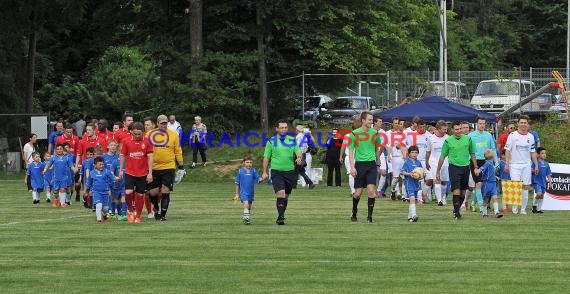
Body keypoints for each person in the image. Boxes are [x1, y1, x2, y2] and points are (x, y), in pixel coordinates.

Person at [262, 119, 303, 225]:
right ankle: (281, 217)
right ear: (277, 129)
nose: (284, 129)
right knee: (281, 193)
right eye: (281, 127)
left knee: (286, 196)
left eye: (285, 127)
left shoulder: (292, 140)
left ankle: (281, 214)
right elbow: (266, 158)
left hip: (290, 172)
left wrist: (299, 158)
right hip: (276, 171)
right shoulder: (271, 141)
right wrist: (264, 172)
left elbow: (298, 152)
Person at [436, 121, 477, 219]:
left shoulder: (468, 139)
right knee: (456, 190)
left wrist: (475, 166)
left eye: (460, 129)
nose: (458, 131)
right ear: (452, 130)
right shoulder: (448, 141)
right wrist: (438, 171)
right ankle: (457, 213)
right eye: (456, 129)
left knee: (463, 192)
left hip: (465, 167)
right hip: (454, 167)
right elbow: (442, 157)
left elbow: (472, 153)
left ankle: (456, 208)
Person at [348, 111, 382, 223]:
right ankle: (354, 211)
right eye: (369, 120)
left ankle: (369, 217)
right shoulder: (354, 134)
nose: (371, 122)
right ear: (363, 120)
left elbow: (377, 148)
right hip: (359, 165)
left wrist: (378, 161)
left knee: (371, 191)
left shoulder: (375, 133)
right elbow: (351, 152)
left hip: (371, 165)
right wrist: (352, 167)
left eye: (372, 120)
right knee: (357, 194)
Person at [148, 114, 184, 221]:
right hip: (153, 167)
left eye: (165, 123)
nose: (163, 125)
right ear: (157, 123)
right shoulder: (149, 134)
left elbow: (178, 151)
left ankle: (163, 215)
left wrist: (181, 166)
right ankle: (155, 206)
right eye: (161, 123)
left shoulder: (173, 135)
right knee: (153, 192)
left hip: (168, 167)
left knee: (165, 190)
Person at [119, 122, 154, 223]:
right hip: (130, 172)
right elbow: (122, 155)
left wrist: (150, 172)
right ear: (132, 132)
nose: (137, 136)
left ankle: (138, 216)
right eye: (135, 134)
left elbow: (150, 157)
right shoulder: (126, 141)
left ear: (143, 132)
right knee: (128, 192)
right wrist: (121, 170)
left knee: (140, 195)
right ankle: (130, 211)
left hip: (142, 173)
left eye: (139, 134)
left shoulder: (147, 142)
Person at [504, 115, 538, 215]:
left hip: (527, 165)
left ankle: (523, 209)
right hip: (514, 165)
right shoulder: (512, 135)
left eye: (525, 123)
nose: (523, 124)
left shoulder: (531, 137)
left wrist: (536, 165)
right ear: (518, 124)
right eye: (521, 122)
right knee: (515, 186)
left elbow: (533, 152)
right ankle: (515, 209)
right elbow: (507, 150)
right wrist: (507, 163)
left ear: (528, 124)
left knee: (525, 187)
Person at [468, 116, 497, 213]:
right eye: (480, 123)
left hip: (486, 162)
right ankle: (481, 206)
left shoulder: (488, 135)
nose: (482, 125)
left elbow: (493, 149)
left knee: (483, 185)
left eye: (484, 124)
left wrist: (495, 162)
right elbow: (467, 150)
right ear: (477, 124)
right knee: (479, 184)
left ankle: (473, 202)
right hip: (475, 161)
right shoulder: (471, 136)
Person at [405, 119, 430, 202]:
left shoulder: (429, 135)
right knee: (418, 178)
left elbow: (430, 149)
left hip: (426, 160)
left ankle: (424, 194)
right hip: (415, 160)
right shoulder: (412, 135)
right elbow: (408, 147)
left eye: (423, 127)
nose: (422, 128)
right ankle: (417, 197)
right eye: (420, 127)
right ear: (417, 127)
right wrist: (408, 158)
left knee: (429, 179)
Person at [425, 120, 449, 206]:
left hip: (445, 162)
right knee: (437, 180)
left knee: (444, 182)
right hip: (434, 161)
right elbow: (428, 152)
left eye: (446, 129)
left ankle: (443, 197)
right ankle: (439, 200)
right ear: (438, 129)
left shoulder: (448, 138)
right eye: (444, 129)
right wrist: (427, 162)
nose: (445, 131)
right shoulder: (431, 138)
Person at [87, 156, 117, 223]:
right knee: (98, 205)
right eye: (100, 164)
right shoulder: (92, 173)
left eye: (102, 164)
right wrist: (88, 190)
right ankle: (99, 220)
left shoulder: (107, 171)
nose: (101, 166)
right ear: (95, 165)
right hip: (96, 192)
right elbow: (89, 182)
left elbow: (113, 179)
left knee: (105, 208)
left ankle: (104, 216)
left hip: (105, 192)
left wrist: (117, 178)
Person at [234, 154, 262, 224]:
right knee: (246, 204)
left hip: (251, 192)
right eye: (247, 162)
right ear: (243, 163)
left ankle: (245, 218)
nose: (249, 164)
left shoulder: (254, 171)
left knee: (248, 207)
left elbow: (258, 180)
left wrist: (263, 178)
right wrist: (237, 194)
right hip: (243, 192)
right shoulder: (240, 171)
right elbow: (237, 183)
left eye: (250, 162)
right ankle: (246, 219)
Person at [340, 115, 362, 198]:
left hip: (358, 157)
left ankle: (355, 190)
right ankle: (353, 191)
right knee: (351, 174)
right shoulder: (348, 136)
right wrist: (340, 156)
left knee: (356, 174)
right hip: (349, 157)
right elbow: (343, 146)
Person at [478, 149, 503, 218]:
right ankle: (484, 213)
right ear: (492, 157)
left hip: (493, 183)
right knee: (485, 199)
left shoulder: (491, 163)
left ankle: (497, 213)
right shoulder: (487, 163)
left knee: (495, 198)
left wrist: (495, 177)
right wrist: (478, 170)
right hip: (486, 183)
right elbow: (482, 169)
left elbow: (490, 172)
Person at [386, 117, 406, 200]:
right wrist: (389, 155)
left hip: (404, 158)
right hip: (395, 157)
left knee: (405, 177)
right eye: (396, 123)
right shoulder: (389, 134)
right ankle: (393, 190)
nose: (398, 125)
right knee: (396, 177)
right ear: (392, 124)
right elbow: (387, 145)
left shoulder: (405, 134)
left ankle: (405, 196)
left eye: (400, 123)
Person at [401, 146, 422, 222]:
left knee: (414, 200)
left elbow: (421, 172)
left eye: (416, 152)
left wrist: (421, 175)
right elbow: (402, 172)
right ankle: (414, 215)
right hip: (409, 183)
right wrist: (409, 174)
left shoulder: (418, 162)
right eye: (412, 152)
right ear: (409, 154)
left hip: (416, 184)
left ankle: (409, 217)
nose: (414, 154)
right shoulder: (406, 162)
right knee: (412, 199)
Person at [531, 147, 552, 214]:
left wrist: (550, 182)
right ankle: (534, 206)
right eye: (542, 153)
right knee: (539, 193)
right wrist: (534, 171)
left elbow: (548, 174)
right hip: (537, 181)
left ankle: (539, 209)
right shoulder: (535, 163)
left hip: (543, 182)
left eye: (545, 153)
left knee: (542, 195)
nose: (544, 155)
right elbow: (531, 170)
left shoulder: (546, 164)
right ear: (538, 155)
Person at [295, 125, 315, 189]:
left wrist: (298, 156)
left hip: (299, 154)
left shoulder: (298, 136)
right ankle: (309, 183)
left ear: (297, 130)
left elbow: (298, 147)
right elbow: (306, 146)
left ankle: (309, 183)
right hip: (304, 154)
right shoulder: (304, 137)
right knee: (300, 170)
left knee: (297, 170)